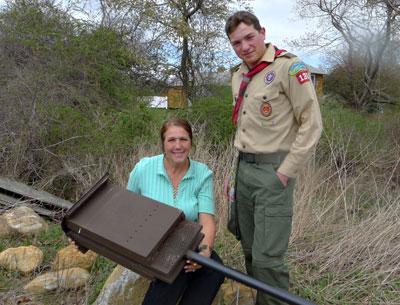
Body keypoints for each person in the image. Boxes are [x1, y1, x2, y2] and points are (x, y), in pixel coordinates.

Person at [225, 11, 323, 305]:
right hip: (243, 169)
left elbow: (312, 122)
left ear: (263, 32)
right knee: (250, 251)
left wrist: (285, 171)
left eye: (249, 37)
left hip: (273, 172)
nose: (244, 46)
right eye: (236, 43)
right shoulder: (238, 75)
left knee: (268, 260)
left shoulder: (288, 69)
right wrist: (237, 175)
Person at [126, 118, 225, 305]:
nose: (178, 146)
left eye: (183, 139)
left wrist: (203, 255)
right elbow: (127, 209)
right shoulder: (143, 169)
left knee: (214, 268)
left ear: (191, 142)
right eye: (171, 140)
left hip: (185, 242)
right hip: (151, 244)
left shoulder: (202, 173)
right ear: (163, 144)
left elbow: (206, 220)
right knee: (175, 272)